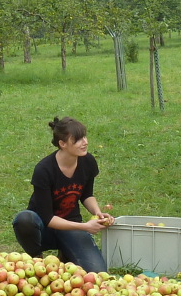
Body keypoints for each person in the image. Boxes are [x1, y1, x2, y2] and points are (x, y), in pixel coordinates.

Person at [11, 116, 111, 273]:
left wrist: (97, 212)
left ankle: (66, 253)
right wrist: (85, 227)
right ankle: (36, 258)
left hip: (71, 225)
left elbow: (86, 194)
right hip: (43, 228)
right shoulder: (44, 170)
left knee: (98, 273)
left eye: (84, 136)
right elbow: (47, 218)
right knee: (25, 219)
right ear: (62, 144)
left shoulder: (87, 161)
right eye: (77, 140)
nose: (85, 142)